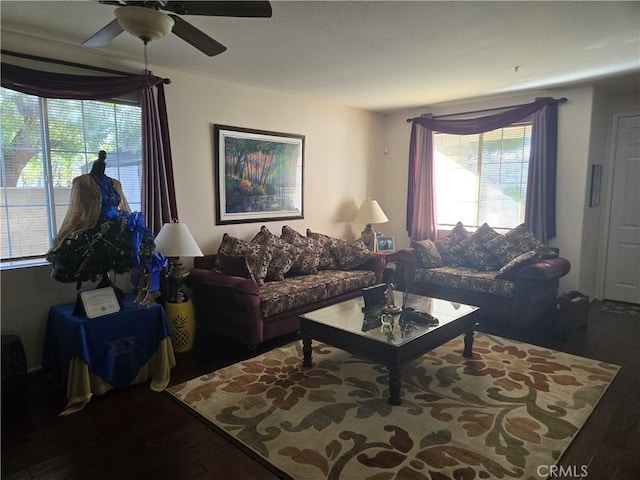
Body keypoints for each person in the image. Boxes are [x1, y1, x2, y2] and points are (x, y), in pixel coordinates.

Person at [52, 150, 130, 250]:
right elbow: (76, 209)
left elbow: (120, 204)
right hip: (93, 228)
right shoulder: (83, 182)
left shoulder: (115, 183)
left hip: (116, 227)